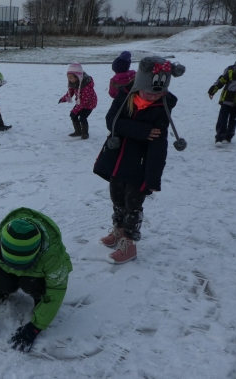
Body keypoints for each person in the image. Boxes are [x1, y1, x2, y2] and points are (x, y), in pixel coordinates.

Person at [93, 56, 186, 264]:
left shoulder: (162, 108)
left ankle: (129, 244)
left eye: (159, 93)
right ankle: (118, 231)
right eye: (148, 92)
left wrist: (153, 179)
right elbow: (112, 121)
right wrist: (143, 131)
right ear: (138, 85)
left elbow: (159, 145)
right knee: (117, 200)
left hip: (140, 166)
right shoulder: (125, 95)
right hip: (116, 159)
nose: (152, 97)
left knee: (132, 206)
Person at [0, 207, 73, 352]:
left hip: (35, 278)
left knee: (34, 285)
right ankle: (3, 290)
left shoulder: (53, 257)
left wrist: (35, 327)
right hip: (14, 272)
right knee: (1, 280)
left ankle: (39, 297)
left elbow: (56, 292)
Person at [59, 62, 97, 140]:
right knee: (73, 115)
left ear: (77, 77)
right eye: (68, 77)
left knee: (82, 117)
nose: (69, 79)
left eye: (70, 78)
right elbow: (70, 93)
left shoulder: (86, 86)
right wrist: (64, 98)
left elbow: (84, 101)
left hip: (89, 104)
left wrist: (76, 110)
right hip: (80, 102)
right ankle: (78, 131)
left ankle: (85, 134)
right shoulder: (74, 83)